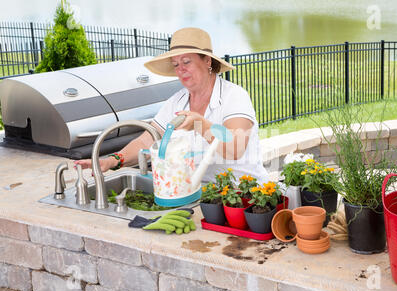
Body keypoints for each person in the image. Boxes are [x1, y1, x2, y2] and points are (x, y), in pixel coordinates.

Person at [74, 27, 269, 183]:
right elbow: (145, 141)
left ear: (207, 61)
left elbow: (235, 148)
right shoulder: (177, 101)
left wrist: (200, 124)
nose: (181, 70)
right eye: (176, 65)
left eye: (186, 61)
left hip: (244, 195)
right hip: (199, 193)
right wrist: (112, 160)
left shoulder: (234, 96)